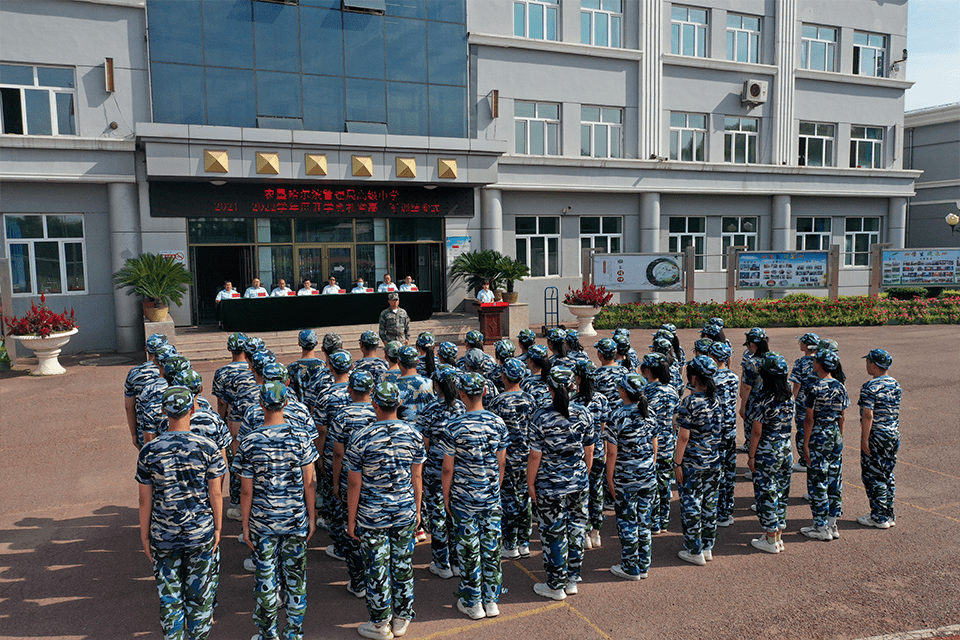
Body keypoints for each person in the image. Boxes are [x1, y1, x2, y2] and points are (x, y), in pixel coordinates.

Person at [136, 386, 225, 640]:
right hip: (200, 531)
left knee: (170, 598)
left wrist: (144, 535)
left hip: (164, 533)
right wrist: (218, 528)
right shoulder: (208, 447)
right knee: (199, 598)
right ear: (194, 409)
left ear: (164, 412)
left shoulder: (149, 451)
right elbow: (216, 494)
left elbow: (145, 499)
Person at [235, 381, 317, 640]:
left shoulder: (250, 441)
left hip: (263, 521)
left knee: (266, 578)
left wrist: (245, 525)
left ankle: (268, 634)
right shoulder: (301, 437)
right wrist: (312, 517)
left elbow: (245, 491)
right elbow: (309, 483)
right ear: (287, 403)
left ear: (261, 405)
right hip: (294, 519)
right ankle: (294, 633)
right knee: (296, 578)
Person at [345, 382, 425, 640]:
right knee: (402, 565)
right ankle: (402, 617)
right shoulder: (413, 434)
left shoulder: (361, 437)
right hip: (403, 511)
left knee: (376, 568)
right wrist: (417, 509)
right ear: (399, 404)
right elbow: (417, 477)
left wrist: (351, 518)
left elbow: (354, 483)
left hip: (372, 515)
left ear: (374, 404)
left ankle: (380, 624)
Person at [441, 372, 508, 620]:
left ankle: (473, 602)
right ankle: (491, 600)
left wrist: (446, 497)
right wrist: (495, 487)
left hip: (463, 498)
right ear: (486, 392)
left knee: (468, 550)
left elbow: (448, 468)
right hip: (490, 495)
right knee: (491, 548)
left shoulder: (454, 426)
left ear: (461, 395)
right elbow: (501, 463)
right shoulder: (498, 423)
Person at [527, 367, 596, 601]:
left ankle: (556, 585)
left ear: (550, 389)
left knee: (553, 533)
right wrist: (583, 473)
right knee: (576, 529)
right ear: (574, 386)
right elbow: (590, 451)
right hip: (578, 481)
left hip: (550, 485)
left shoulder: (540, 416)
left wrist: (531, 484)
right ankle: (572, 579)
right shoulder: (584, 413)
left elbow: (535, 456)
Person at [330, 371, 378, 599]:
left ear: (350, 390)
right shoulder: (380, 411)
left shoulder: (342, 416)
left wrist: (335, 481)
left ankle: (358, 581)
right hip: (377, 480)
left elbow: (338, 453)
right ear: (371, 390)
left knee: (350, 527)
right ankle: (375, 577)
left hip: (350, 477)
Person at [605, 373, 657, 580]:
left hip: (626, 477)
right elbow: (655, 444)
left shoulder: (616, 416)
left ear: (624, 391)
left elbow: (611, 453)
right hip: (647, 475)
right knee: (644, 521)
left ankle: (630, 567)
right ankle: (644, 564)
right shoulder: (649, 412)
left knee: (627, 522)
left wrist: (610, 479)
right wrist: (650, 465)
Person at [417, 366, 466, 580]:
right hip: (459, 471)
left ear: (436, 385)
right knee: (456, 514)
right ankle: (457, 562)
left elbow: (424, 444)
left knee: (437, 515)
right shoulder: (464, 408)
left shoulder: (429, 410)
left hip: (435, 471)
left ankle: (441, 562)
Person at [674, 355, 723, 566]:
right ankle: (707, 546)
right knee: (710, 504)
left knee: (692, 504)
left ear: (694, 376)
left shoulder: (690, 401)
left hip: (693, 462)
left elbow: (683, 436)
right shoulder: (716, 399)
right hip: (713, 461)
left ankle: (694, 550)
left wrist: (677, 463)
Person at [487, 358, 536, 561]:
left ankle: (510, 543)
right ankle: (524, 542)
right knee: (525, 500)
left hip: (506, 459)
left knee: (508, 501)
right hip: (528, 458)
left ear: (504, 377)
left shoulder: (497, 402)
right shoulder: (531, 399)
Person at [746, 353, 794, 554]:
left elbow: (756, 431)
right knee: (782, 491)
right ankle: (778, 536)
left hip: (767, 450)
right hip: (785, 448)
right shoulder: (789, 396)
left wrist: (751, 455)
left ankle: (771, 538)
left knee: (766, 492)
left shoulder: (764, 399)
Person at [801, 349, 849, 541]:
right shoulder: (840, 386)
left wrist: (805, 443)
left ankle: (820, 527)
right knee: (834, 479)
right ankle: (832, 524)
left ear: (820, 365)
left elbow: (809, 419)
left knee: (817, 480)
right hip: (834, 433)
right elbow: (842, 416)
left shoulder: (815, 387)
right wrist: (839, 436)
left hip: (819, 434)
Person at [857, 348, 901, 530]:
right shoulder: (896, 384)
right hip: (892, 434)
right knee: (887, 474)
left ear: (874, 365)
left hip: (877, 434)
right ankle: (888, 513)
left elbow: (868, 415)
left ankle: (878, 516)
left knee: (873, 476)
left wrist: (864, 439)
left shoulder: (870, 386)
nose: (866, 365)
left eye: (868, 362)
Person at [638, 352, 679, 534]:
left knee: (651, 483)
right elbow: (675, 419)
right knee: (665, 483)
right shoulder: (671, 390)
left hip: (651, 444)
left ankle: (653, 522)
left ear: (647, 370)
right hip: (668, 443)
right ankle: (664, 520)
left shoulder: (645, 392)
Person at [572, 360, 609, 551]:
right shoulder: (602, 400)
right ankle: (596, 532)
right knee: (597, 492)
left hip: (581, 455)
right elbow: (602, 426)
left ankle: (585, 533)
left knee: (582, 495)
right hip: (599, 452)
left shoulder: (574, 401)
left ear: (578, 378)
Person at [708, 342, 739, 529]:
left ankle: (717, 512)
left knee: (715, 473)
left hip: (715, 432)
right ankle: (727, 511)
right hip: (731, 430)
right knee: (729, 472)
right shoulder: (733, 377)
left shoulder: (711, 379)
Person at [125, 333, 168, 450]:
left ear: (146, 349)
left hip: (145, 431)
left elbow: (129, 406)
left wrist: (134, 434)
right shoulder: (172, 370)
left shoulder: (134, 373)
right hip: (169, 428)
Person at [789, 332, 821, 472]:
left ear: (807, 346)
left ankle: (804, 460)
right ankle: (816, 458)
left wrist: (792, 401)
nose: (800, 344)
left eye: (802, 342)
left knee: (802, 430)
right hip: (819, 401)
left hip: (803, 402)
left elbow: (796, 385)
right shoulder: (821, 361)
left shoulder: (800, 362)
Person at [738, 327, 770, 454]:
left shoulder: (752, 363)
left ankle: (754, 469)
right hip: (770, 402)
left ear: (752, 344)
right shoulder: (772, 359)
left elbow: (747, 387)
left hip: (754, 404)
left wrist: (742, 406)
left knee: (754, 434)